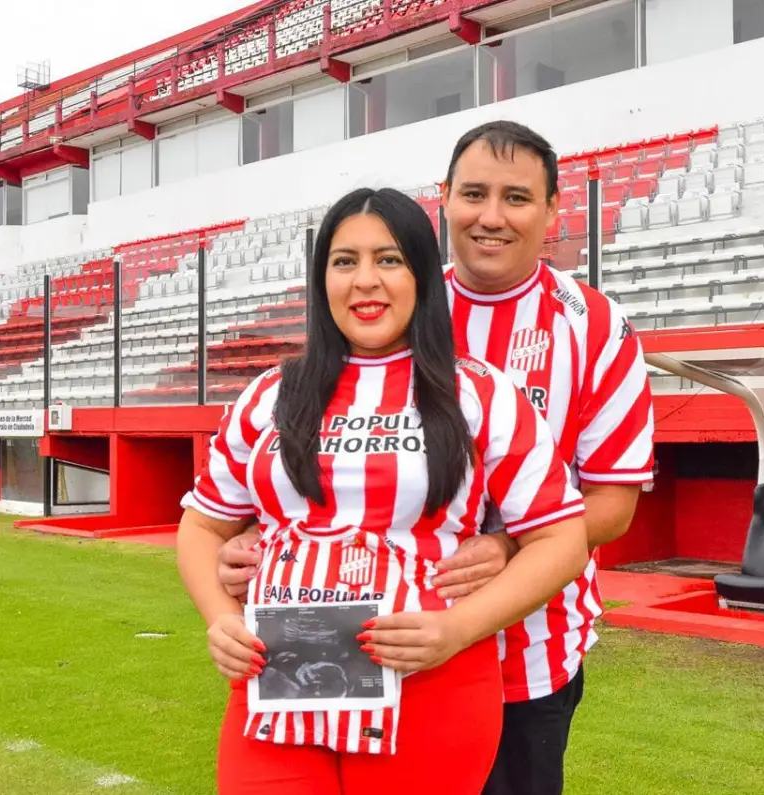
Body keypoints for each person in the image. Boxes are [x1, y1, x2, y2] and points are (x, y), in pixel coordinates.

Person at [217, 121, 656, 795]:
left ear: (552, 209)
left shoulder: (594, 326)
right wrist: (258, 534)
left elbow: (614, 503)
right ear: (444, 199)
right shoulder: (391, 294)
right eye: (474, 193)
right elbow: (309, 470)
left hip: (526, 656)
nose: (491, 216)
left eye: (517, 197)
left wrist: (508, 545)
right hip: (353, 647)